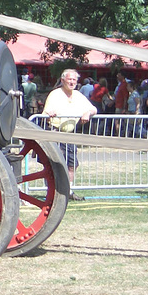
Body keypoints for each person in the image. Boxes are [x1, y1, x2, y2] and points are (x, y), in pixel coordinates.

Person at [43, 68, 97, 201]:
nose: (72, 82)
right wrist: (50, 114)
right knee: (53, 165)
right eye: (69, 79)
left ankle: (68, 192)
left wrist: (87, 113)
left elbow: (93, 109)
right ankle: (51, 193)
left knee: (72, 164)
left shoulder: (78, 95)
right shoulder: (55, 94)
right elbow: (45, 113)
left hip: (70, 135)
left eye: (74, 79)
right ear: (62, 80)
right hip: (55, 133)